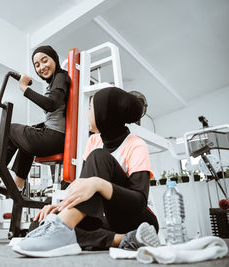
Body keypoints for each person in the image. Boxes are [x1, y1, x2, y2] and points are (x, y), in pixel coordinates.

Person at [12, 87, 160, 257]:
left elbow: (138, 201)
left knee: (99, 157)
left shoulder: (136, 145)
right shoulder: (93, 140)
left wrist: (99, 184)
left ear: (105, 114)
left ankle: (63, 228)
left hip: (138, 219)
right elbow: (81, 187)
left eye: (90, 109)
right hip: (107, 219)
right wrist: (59, 205)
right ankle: (124, 239)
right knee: (41, 223)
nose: (87, 114)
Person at [0, 45, 71, 191]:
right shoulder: (55, 82)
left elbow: (51, 104)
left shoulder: (60, 76)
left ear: (54, 59)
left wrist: (24, 88)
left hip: (55, 138)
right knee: (24, 138)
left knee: (11, 128)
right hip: (57, 138)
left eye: (45, 60)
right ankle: (18, 184)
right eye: (37, 65)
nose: (42, 67)